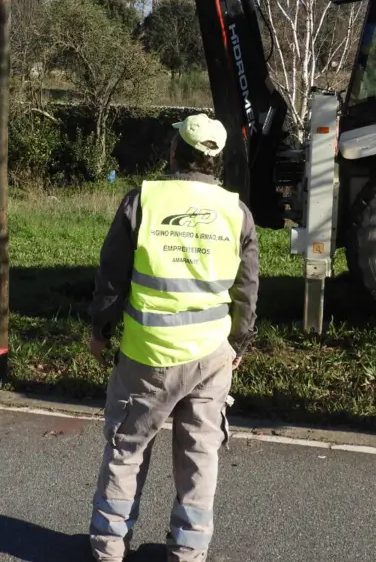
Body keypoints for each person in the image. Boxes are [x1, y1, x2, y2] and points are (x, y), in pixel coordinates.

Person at [87, 112, 259, 562]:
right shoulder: (236, 212)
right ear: (217, 162)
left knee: (127, 448)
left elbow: (112, 276)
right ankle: (187, 551)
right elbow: (246, 289)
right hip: (211, 356)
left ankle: (108, 547)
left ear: (173, 151)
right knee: (200, 456)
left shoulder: (142, 201)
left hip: (148, 354)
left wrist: (100, 330)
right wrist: (238, 343)